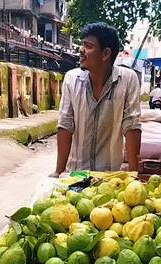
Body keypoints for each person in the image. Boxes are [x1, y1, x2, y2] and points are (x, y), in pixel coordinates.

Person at [50, 22, 141, 177]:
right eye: (82, 45)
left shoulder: (127, 79)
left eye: (88, 46)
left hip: (111, 177)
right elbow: (65, 125)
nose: (81, 50)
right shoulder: (72, 79)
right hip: (77, 175)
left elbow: (131, 127)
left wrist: (134, 175)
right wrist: (58, 172)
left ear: (106, 54)